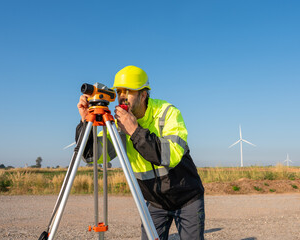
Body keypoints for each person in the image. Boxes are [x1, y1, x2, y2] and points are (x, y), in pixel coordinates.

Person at [76, 65, 205, 240]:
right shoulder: (121, 126)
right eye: (119, 91)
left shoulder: (167, 113)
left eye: (128, 91)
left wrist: (135, 131)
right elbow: (94, 155)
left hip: (186, 198)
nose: (121, 96)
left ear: (143, 95)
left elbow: (170, 156)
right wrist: (85, 122)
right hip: (155, 204)